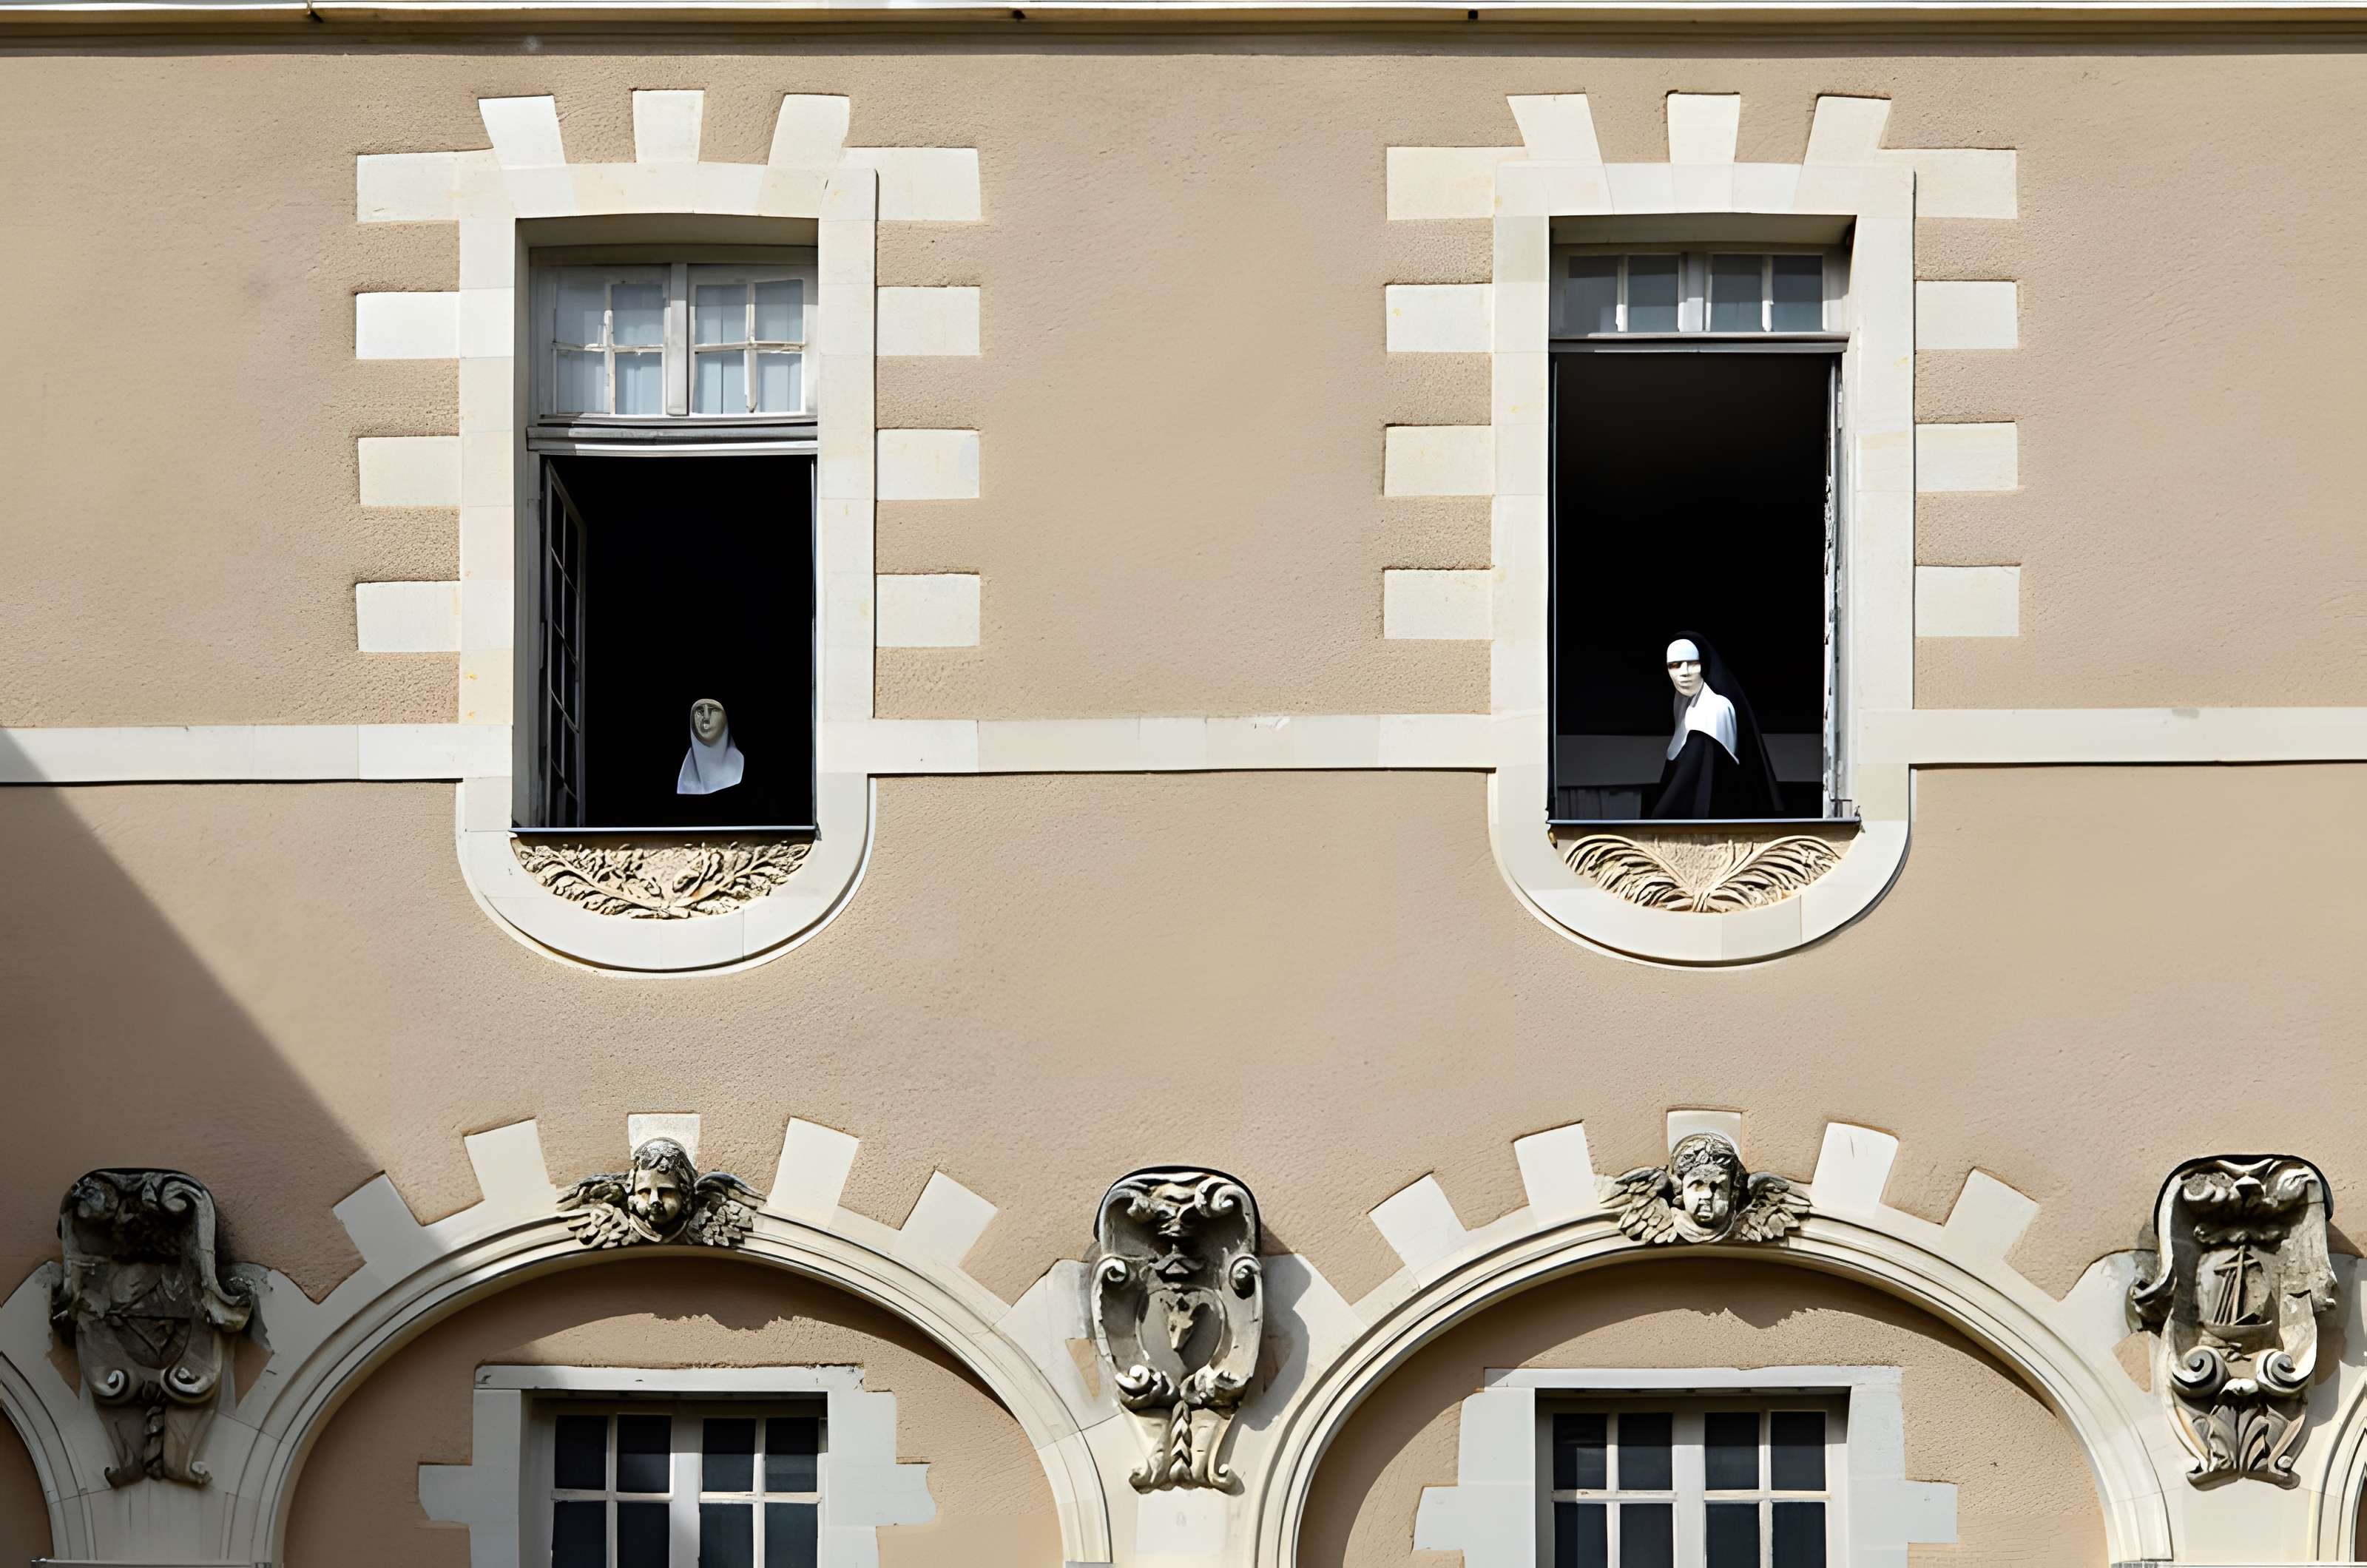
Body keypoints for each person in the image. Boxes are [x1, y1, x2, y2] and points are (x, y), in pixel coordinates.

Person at [1648, 634, 1783, 819]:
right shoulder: (1683, 708)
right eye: (1675, 665)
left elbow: (1693, 781)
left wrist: (1654, 823)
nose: (1685, 672)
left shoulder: (1715, 709)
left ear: (1705, 664)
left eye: (1693, 663)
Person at [675, 697, 746, 796]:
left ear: (724, 720)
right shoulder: (687, 776)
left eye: (713, 712)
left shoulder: (736, 762)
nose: (706, 721)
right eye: (700, 713)